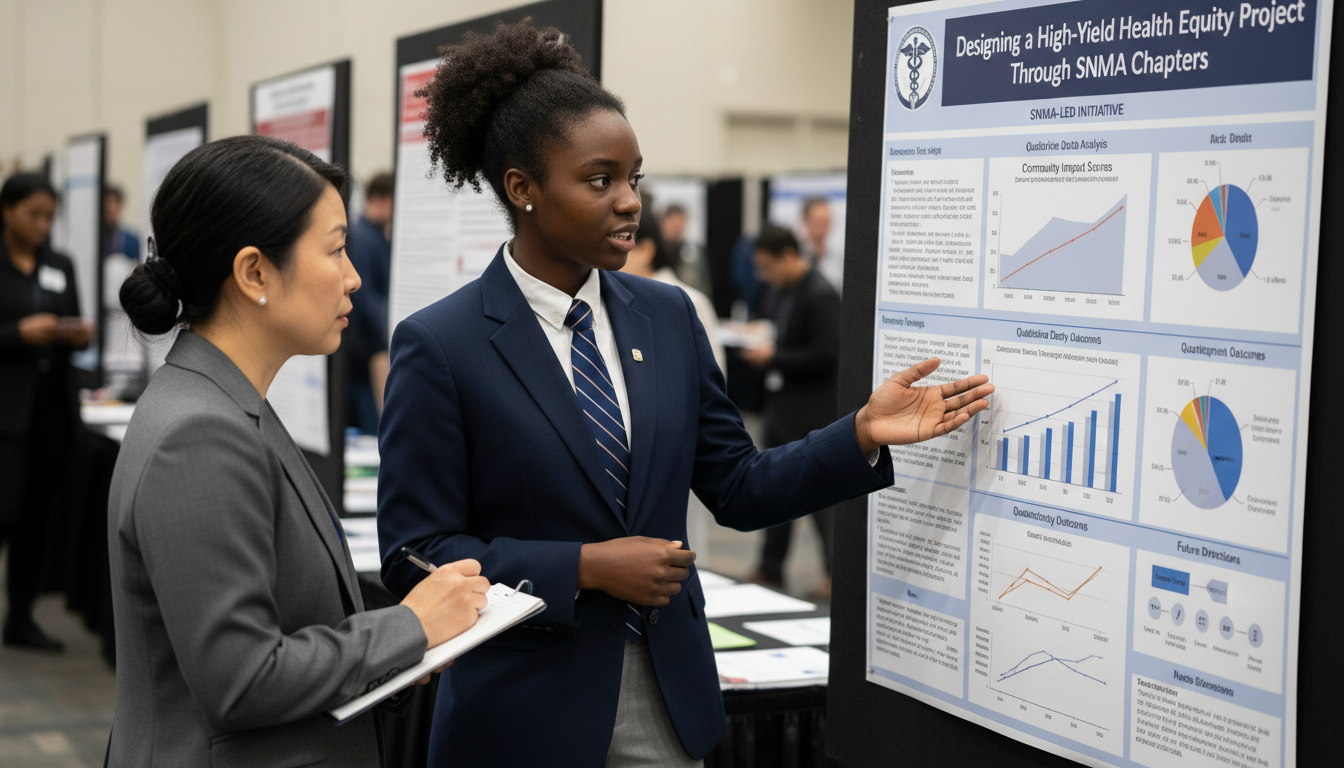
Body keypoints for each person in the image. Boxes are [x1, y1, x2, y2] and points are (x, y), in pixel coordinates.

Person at [376, 19, 992, 767]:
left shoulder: (667, 316)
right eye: (599, 180)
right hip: (521, 712)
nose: (629, 202)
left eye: (633, 178)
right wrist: (585, 567)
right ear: (522, 188)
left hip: (666, 697)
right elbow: (415, 554)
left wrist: (859, 432)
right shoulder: (442, 344)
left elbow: (737, 485)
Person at [107, 135, 491, 766]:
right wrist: (410, 626)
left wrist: (405, 646)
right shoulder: (200, 433)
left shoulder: (223, 400)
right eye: (336, 250)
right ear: (254, 273)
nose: (354, 277)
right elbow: (243, 679)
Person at [0, 173, 93, 652]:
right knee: (5, 512)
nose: (41, 225)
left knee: (37, 519)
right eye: (32, 214)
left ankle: (20, 618)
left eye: (49, 217)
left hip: (52, 410)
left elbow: (72, 316)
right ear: (7, 211)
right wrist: (19, 333)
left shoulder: (59, 263)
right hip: (5, 413)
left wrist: (77, 334)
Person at [740, 224, 841, 598]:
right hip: (782, 409)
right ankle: (770, 567)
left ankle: (834, 573)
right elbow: (775, 330)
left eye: (767, 266)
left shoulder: (820, 294)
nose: (763, 275)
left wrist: (774, 357)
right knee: (775, 489)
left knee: (821, 497)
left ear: (788, 255)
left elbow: (828, 354)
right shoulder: (780, 291)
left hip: (812, 412)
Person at [619, 211, 726, 373]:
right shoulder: (620, 298)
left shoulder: (687, 301)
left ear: (645, 250)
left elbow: (713, 375)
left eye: (620, 242)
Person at [345, 171, 394, 434]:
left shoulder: (374, 236)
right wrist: (392, 328)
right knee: (371, 427)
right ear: (379, 199)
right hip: (364, 353)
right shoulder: (364, 239)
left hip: (366, 350)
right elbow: (366, 299)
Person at [799, 195, 842, 291]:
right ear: (805, 221)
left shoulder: (836, 253)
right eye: (818, 222)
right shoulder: (797, 254)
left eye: (826, 222)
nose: (823, 229)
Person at [102, 183, 141, 260]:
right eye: (108, 202)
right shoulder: (97, 239)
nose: (111, 208)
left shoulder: (131, 240)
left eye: (115, 202)